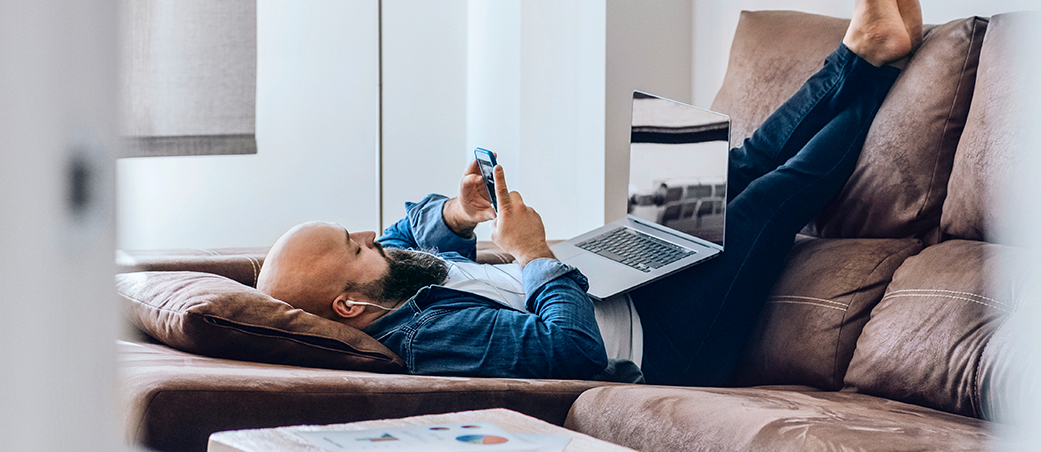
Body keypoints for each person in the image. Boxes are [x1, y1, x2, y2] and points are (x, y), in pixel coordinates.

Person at [257, 0, 923, 386]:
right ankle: (884, 69)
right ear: (349, 303)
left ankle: (859, 53)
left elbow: (407, 236)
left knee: (734, 166)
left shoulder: (391, 284)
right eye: (353, 245)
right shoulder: (429, 340)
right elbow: (572, 354)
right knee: (769, 196)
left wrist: (462, 212)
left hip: (620, 277)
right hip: (661, 346)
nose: (371, 235)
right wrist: (533, 253)